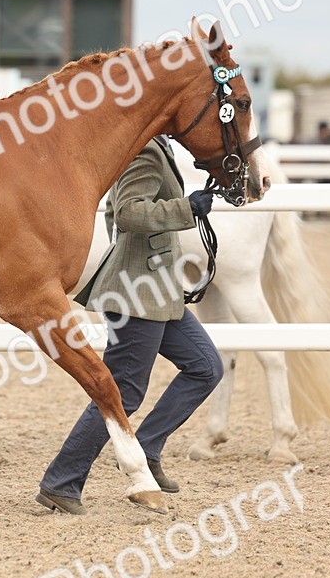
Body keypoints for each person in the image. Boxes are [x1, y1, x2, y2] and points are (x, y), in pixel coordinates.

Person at [35, 136, 224, 514]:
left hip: (157, 289)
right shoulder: (144, 149)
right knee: (123, 391)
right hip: (137, 293)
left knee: (206, 367)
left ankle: (148, 447)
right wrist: (186, 209)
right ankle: (61, 481)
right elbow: (127, 212)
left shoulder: (157, 146)